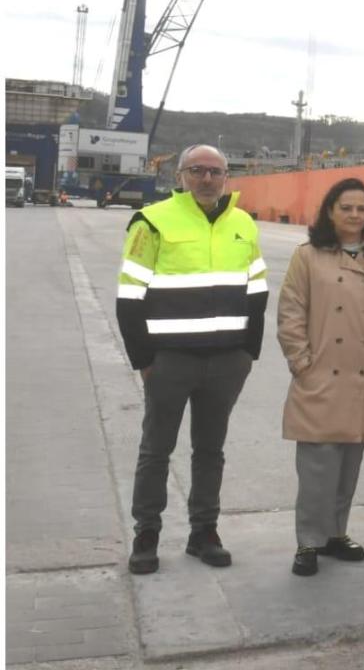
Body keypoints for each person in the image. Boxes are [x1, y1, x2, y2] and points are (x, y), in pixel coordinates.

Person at [116, 144, 269, 574]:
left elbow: (257, 289)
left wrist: (248, 350)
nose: (207, 179)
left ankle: (204, 532)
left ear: (226, 177)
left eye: (215, 171)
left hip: (227, 361)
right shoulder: (153, 221)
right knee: (156, 450)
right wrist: (145, 358)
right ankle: (146, 534)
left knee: (210, 451)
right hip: (170, 361)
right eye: (198, 171)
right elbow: (130, 295)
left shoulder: (243, 223)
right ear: (181, 175)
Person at [275, 178, 364, 576]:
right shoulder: (308, 256)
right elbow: (290, 313)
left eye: (361, 209)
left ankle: (335, 533)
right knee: (317, 466)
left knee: (349, 463)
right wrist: (301, 361)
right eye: (346, 207)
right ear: (330, 211)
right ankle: (308, 543)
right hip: (321, 374)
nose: (354, 215)